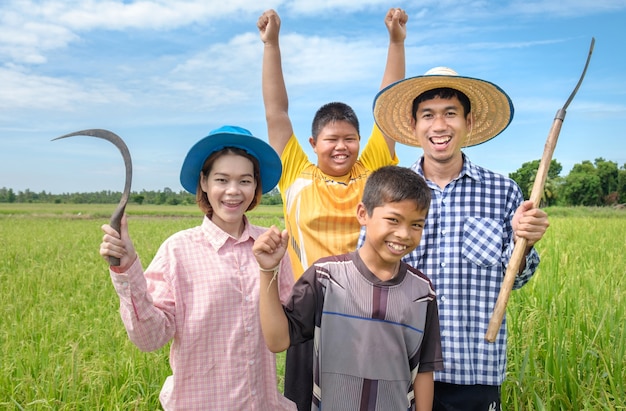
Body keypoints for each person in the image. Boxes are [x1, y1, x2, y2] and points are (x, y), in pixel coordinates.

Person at [366, 66, 551, 409]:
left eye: (450, 113)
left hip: (474, 369)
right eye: (428, 115)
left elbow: (519, 278)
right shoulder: (389, 189)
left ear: (468, 121)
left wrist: (526, 242)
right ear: (413, 125)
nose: (439, 126)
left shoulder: (503, 192)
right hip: (398, 365)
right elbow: (366, 271)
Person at [258, 8, 408, 409]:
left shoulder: (374, 169)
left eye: (350, 138)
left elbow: (388, 107)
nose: (341, 146)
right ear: (312, 142)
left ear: (361, 141)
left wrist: (396, 42)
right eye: (331, 139)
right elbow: (277, 112)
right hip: (310, 313)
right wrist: (271, 44)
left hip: (371, 311)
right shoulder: (295, 174)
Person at [99, 125, 296, 411]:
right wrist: (127, 270)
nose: (233, 191)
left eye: (244, 180)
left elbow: (286, 330)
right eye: (221, 179)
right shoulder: (178, 250)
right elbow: (149, 338)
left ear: (256, 186)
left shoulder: (272, 246)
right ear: (203, 182)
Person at [253, 165, 443, 411]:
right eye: (393, 220)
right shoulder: (325, 278)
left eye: (416, 225)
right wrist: (268, 270)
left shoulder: (422, 293)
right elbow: (278, 340)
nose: (404, 234)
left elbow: (424, 370)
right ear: (363, 213)